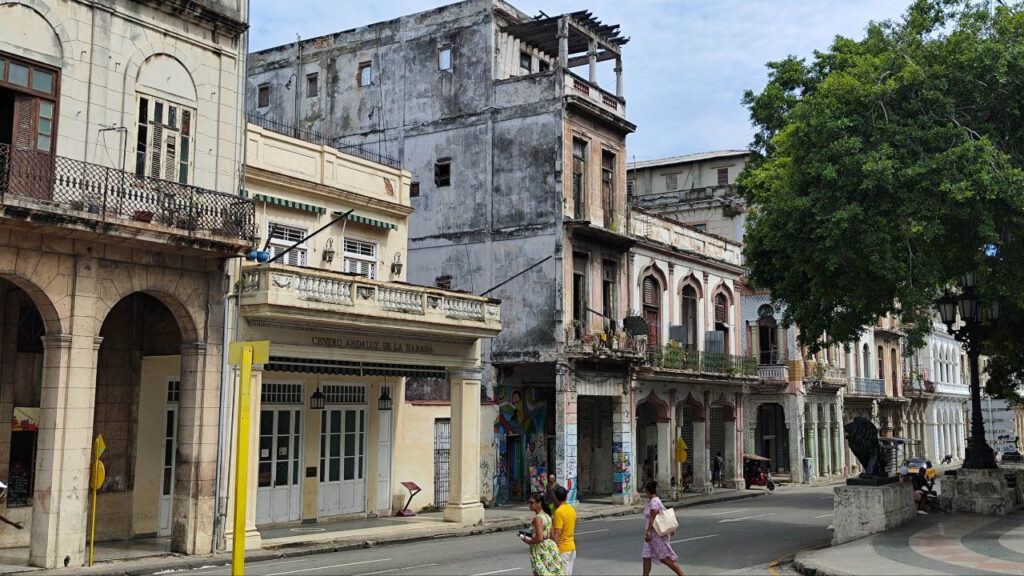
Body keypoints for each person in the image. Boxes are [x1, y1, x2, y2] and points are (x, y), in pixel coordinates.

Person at [642, 480, 685, 576]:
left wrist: (648, 532)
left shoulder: (654, 502)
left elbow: (653, 517)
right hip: (651, 535)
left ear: (647, 491)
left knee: (664, 558)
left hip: (655, 535)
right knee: (646, 556)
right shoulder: (655, 500)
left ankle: (682, 574)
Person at [521, 492, 565, 576]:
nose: (529, 505)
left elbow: (539, 538)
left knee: (540, 572)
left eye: (531, 503)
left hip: (540, 549)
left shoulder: (538, 518)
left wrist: (527, 540)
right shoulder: (548, 516)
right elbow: (551, 535)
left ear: (539, 503)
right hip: (549, 546)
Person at [550, 485, 576, 575]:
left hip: (563, 548)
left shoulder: (559, 512)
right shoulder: (571, 509)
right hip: (572, 547)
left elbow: (558, 532)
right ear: (566, 496)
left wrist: (553, 548)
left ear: (556, 498)